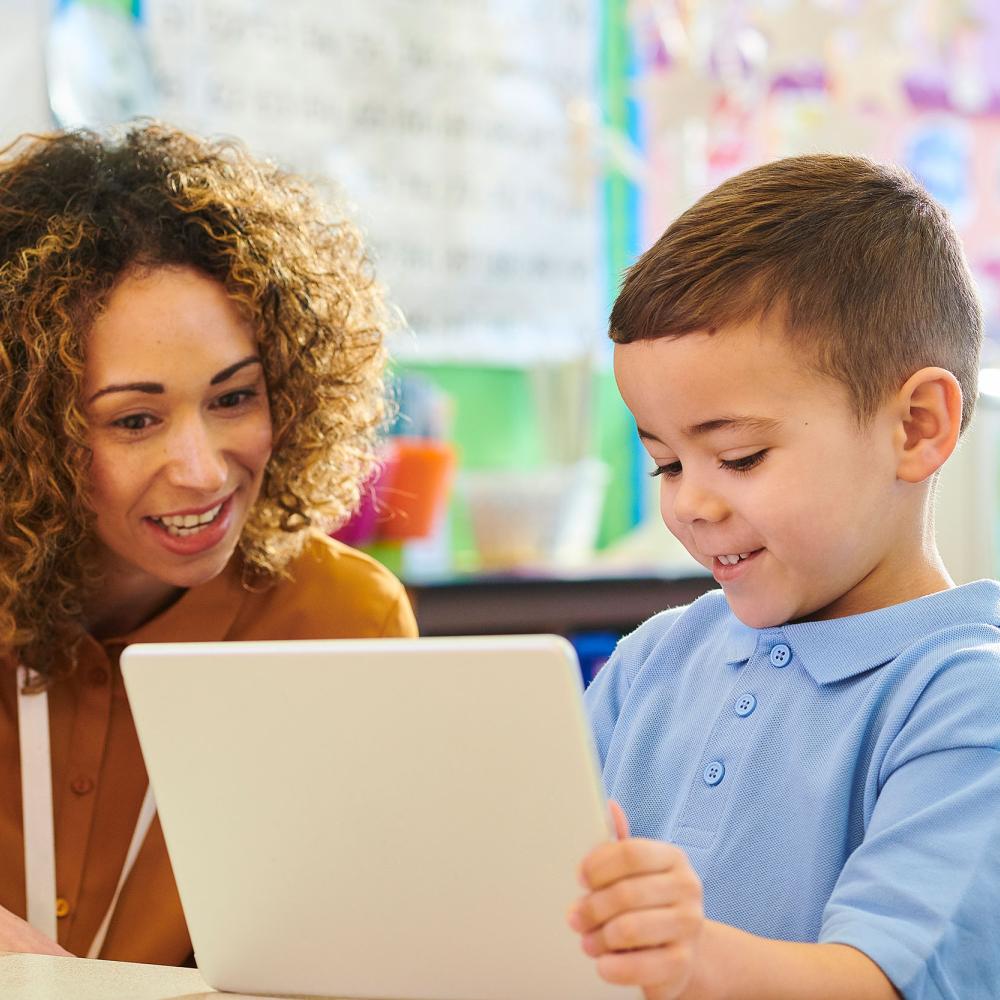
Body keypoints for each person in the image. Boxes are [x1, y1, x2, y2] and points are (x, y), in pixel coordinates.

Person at [567, 155, 1000, 999]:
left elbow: (880, 982)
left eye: (739, 456)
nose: (690, 502)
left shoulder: (965, 699)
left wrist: (690, 961)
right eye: (664, 463)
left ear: (917, 427)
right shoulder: (656, 660)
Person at [0, 122, 417, 965]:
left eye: (233, 399)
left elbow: (371, 955)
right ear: (26, 430)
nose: (201, 470)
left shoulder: (341, 621)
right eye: (135, 420)